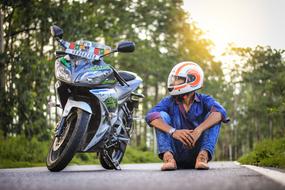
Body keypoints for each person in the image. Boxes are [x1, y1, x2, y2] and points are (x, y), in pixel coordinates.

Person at [145, 61, 229, 171]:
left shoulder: (204, 100)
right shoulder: (169, 101)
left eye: (178, 79)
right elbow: (150, 116)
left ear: (192, 79)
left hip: (197, 151)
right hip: (176, 153)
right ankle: (168, 159)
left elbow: (221, 112)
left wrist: (198, 130)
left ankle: (202, 157)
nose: (173, 82)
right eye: (173, 79)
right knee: (160, 116)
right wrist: (173, 131)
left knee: (214, 116)